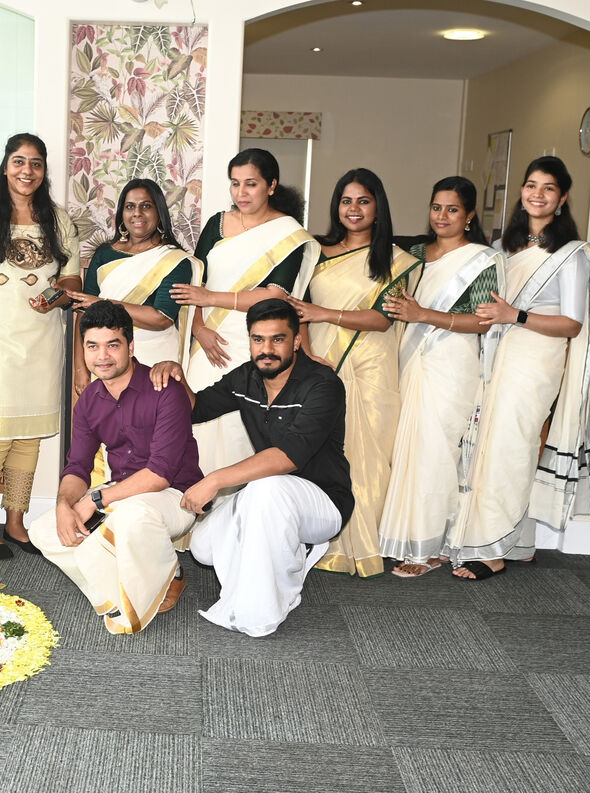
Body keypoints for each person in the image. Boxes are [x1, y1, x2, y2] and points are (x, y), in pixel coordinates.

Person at [150, 298, 353, 637]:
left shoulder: (323, 384)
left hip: (324, 501)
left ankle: (260, 615)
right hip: (267, 495)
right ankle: (281, 546)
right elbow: (197, 408)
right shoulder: (247, 376)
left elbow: (289, 457)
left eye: (278, 339)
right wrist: (177, 375)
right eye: (258, 339)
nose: (267, 349)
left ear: (297, 341)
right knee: (203, 549)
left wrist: (214, 480)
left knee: (268, 486)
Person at [444, 156, 590, 580]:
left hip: (535, 356)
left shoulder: (571, 255)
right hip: (497, 351)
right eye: (531, 185)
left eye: (548, 188)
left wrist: (517, 316)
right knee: (485, 443)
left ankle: (492, 549)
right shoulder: (504, 248)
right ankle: (519, 543)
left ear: (562, 198)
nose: (537, 194)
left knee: (512, 447)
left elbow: (572, 324)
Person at [28, 301, 201, 634]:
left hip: (174, 496)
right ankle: (121, 584)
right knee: (45, 530)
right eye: (92, 346)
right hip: (122, 494)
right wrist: (65, 505)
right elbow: (77, 466)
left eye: (113, 345)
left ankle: (169, 574)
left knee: (130, 516)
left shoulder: (165, 390)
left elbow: (159, 474)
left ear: (131, 346)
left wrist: (93, 501)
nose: (102, 356)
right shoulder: (90, 399)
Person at [286, 168, 421, 578]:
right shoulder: (315, 251)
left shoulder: (396, 260)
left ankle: (365, 544)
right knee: (320, 450)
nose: (354, 209)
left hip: (373, 367)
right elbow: (297, 311)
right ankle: (316, 537)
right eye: (347, 201)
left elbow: (383, 319)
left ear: (378, 207)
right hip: (322, 364)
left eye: (363, 200)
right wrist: (306, 356)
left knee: (369, 456)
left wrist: (323, 313)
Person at [0, 133, 81, 558]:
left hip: (42, 345)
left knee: (28, 438)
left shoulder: (58, 220)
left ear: (44, 170)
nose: (28, 171)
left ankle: (17, 522)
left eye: (36, 163)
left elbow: (72, 280)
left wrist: (57, 295)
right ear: (5, 166)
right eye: (19, 161)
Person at [378, 177, 501, 577]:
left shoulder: (482, 259)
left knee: (437, 451)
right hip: (409, 359)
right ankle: (404, 535)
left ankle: (432, 547)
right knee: (405, 447)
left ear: (468, 216)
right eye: (436, 207)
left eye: (452, 209)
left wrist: (424, 316)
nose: (442, 216)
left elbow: (483, 322)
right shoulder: (413, 253)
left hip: (451, 362)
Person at [173, 149, 319, 477]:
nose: (241, 192)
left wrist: (210, 297)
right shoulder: (217, 224)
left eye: (251, 184)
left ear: (271, 185)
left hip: (255, 340)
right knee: (199, 421)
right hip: (208, 337)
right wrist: (198, 329)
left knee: (241, 428)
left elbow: (274, 295)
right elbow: (196, 281)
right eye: (235, 183)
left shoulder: (288, 234)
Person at [67, 178, 197, 377]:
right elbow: (83, 312)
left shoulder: (174, 260)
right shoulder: (104, 254)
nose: (137, 213)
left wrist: (103, 303)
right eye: (130, 207)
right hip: (104, 360)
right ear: (122, 213)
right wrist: (80, 368)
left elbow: (161, 318)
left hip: (155, 363)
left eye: (146, 206)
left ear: (159, 212)